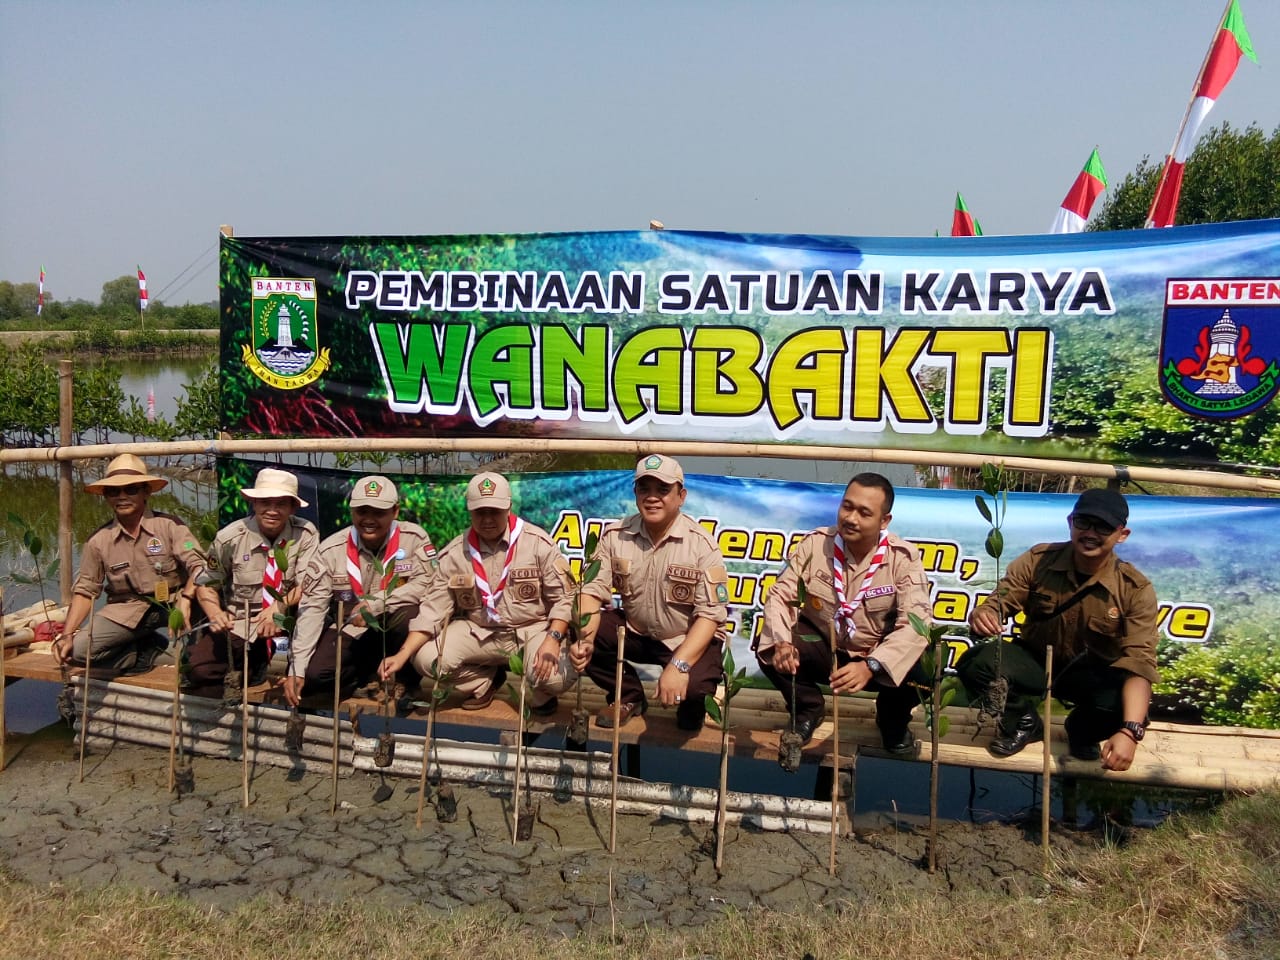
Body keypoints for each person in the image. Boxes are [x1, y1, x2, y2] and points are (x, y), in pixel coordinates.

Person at [956, 487, 1158, 772]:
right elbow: (1003, 599)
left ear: (1121, 534)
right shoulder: (1038, 560)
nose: (1090, 532)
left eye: (1103, 526)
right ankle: (1024, 723)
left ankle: (1082, 732)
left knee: (1125, 708)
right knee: (976, 663)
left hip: (1092, 675)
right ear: (1070, 522)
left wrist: (1130, 733)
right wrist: (985, 613)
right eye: (1083, 522)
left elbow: (1139, 663)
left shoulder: (1135, 589)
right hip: (1036, 661)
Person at [754, 472, 932, 753]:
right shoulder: (814, 545)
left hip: (876, 663)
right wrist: (782, 643)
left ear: (884, 521)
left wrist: (871, 665)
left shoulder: (904, 559)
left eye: (864, 513)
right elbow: (780, 596)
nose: (851, 518)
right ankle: (808, 709)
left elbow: (916, 623)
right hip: (827, 649)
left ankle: (891, 719)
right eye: (847, 506)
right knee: (768, 645)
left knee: (926, 666)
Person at [379, 472, 582, 713]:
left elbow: (565, 598)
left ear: (508, 508)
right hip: (480, 632)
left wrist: (553, 639)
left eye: (494, 511)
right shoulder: (455, 553)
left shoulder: (537, 544)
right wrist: (401, 656)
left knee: (553, 677)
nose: (487, 519)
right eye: (480, 512)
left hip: (531, 630)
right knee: (425, 659)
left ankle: (540, 695)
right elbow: (432, 612)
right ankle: (482, 683)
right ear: (470, 511)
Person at [578, 455, 729, 731]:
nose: (652, 498)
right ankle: (628, 696)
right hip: (636, 632)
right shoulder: (615, 536)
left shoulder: (702, 546)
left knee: (692, 697)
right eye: (644, 489)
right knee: (581, 629)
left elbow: (710, 616)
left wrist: (679, 666)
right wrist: (584, 640)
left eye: (662, 490)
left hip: (686, 637)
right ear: (635, 493)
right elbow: (591, 589)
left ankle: (695, 707)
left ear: (681, 496)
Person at [285, 475, 437, 707]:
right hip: (351, 629)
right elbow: (313, 609)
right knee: (315, 676)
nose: (369, 520)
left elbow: (425, 585)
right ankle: (366, 677)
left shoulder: (414, 539)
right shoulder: (331, 549)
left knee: (410, 614)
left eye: (378, 513)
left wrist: (376, 604)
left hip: (393, 627)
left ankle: (406, 682)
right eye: (362, 512)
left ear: (395, 512)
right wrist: (297, 667)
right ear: (352, 511)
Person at [51, 454, 205, 675]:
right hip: (128, 609)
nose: (122, 497)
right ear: (106, 495)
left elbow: (200, 566)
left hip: (176, 601)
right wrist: (67, 635)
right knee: (77, 652)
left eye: (131, 489)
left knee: (202, 657)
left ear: (146, 492)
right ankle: (142, 653)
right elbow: (86, 590)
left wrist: (188, 599)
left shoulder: (171, 526)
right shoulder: (98, 541)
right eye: (114, 491)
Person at [185, 467, 321, 695]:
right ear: (254, 503)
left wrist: (277, 608)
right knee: (199, 670)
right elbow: (207, 583)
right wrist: (214, 613)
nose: (272, 511)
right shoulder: (230, 537)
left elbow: (307, 583)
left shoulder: (305, 534)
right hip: (242, 622)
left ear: (292, 507)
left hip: (288, 620)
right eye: (265, 502)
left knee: (316, 676)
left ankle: (265, 661)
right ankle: (251, 664)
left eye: (281, 504)